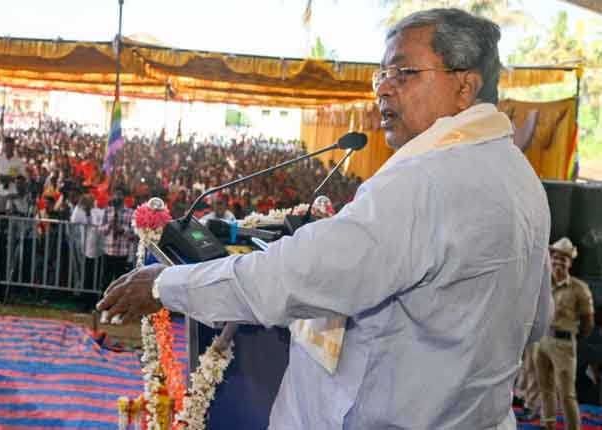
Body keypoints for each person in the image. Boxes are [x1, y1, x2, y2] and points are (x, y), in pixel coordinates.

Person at [98, 8, 553, 429]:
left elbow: (286, 278)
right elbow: (535, 321)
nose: (383, 87)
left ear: (464, 86)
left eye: (404, 73)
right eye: (382, 74)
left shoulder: (426, 180)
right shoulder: (522, 179)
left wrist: (164, 286)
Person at [535, 237, 594, 430]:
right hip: (542, 340)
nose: (559, 261)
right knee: (545, 388)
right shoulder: (542, 284)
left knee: (567, 394)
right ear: (550, 258)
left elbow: (588, 321)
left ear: (570, 262)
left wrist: (573, 337)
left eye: (564, 258)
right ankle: (548, 425)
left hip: (564, 344)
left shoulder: (579, 288)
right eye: (555, 256)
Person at [99, 187, 134, 291]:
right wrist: (110, 225)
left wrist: (122, 230)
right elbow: (101, 229)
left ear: (124, 197)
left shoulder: (130, 212)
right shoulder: (108, 211)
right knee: (105, 280)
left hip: (122, 252)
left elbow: (134, 233)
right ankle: (103, 304)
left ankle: (117, 305)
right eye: (116, 194)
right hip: (109, 251)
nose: (117, 197)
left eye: (120, 194)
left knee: (120, 281)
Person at [0, 136, 26, 214]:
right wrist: (0, 178)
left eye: (10, 146)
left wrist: (12, 179)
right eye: (6, 146)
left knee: (13, 216)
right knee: (0, 216)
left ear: (13, 147)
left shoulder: (19, 161)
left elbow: (23, 177)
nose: (8, 149)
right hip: (1, 191)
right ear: (4, 147)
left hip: (13, 193)